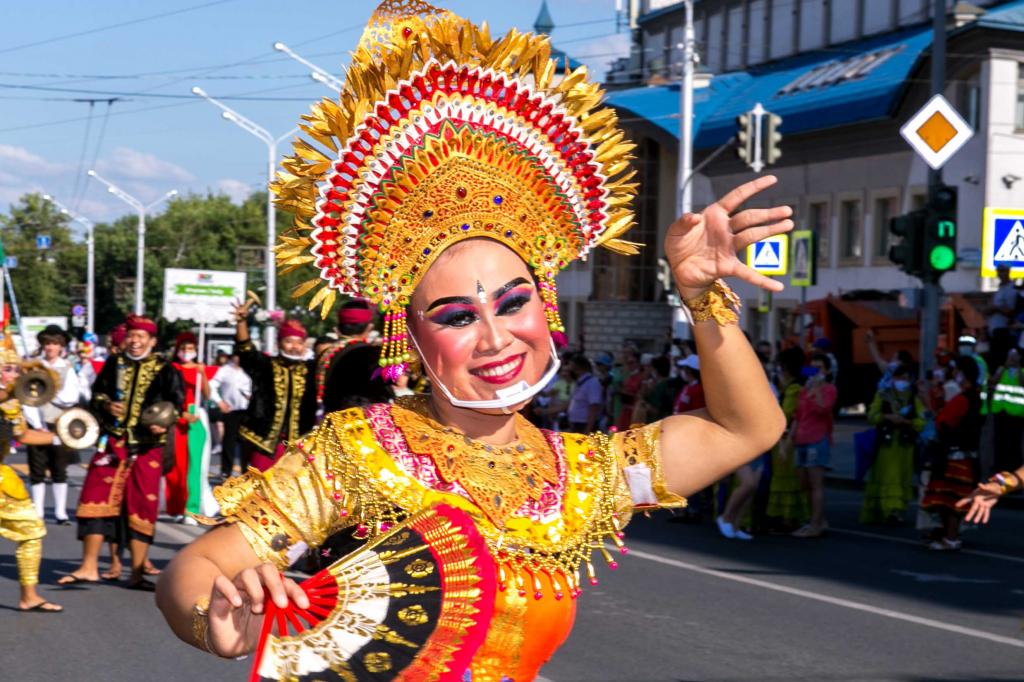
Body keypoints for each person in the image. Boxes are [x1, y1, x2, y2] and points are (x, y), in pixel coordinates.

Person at [156, 4, 789, 676]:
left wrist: (701, 297)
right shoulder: (362, 455)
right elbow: (196, 568)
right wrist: (217, 620)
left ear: (546, 306)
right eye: (457, 317)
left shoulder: (579, 477)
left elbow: (746, 428)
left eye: (513, 304)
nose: (495, 338)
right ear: (409, 337)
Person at [60, 314, 185, 590]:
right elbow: (96, 395)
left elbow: (177, 404)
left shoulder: (166, 369)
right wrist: (106, 405)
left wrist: (163, 422)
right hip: (113, 442)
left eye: (140, 336)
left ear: (152, 341)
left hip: (148, 446)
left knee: (142, 505)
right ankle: (89, 566)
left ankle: (137, 573)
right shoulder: (114, 363)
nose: (134, 341)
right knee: (93, 495)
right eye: (131, 336)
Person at [0, 346, 65, 612]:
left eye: (16, 370)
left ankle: (29, 596)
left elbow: (23, 436)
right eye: (7, 369)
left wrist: (63, 436)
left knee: (31, 530)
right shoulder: (9, 396)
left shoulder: (13, 403)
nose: (14, 375)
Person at [233, 314, 316, 472]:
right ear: (279, 343)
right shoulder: (266, 366)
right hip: (264, 443)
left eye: (299, 342)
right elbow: (246, 350)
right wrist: (241, 322)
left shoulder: (312, 370)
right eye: (289, 341)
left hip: (299, 445)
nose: (294, 347)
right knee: (259, 485)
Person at [921, 356, 984, 550]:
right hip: (966, 453)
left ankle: (951, 537)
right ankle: (948, 534)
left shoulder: (963, 398)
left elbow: (943, 421)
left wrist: (930, 405)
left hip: (955, 454)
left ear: (964, 374)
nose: (953, 374)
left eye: (956, 370)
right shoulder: (974, 396)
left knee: (950, 498)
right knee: (952, 497)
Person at [26, 324, 81, 525]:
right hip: (37, 424)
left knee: (59, 467)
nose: (50, 347)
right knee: (37, 468)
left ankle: (60, 512)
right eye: (47, 343)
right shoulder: (34, 367)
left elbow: (71, 397)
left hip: (59, 424)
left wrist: (51, 393)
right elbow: (26, 397)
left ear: (61, 346)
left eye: (54, 343)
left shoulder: (67, 368)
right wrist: (35, 423)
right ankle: (38, 511)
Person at [860, 364, 925, 525]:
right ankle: (885, 510)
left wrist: (907, 422)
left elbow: (921, 422)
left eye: (906, 378)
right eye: (899, 377)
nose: (902, 381)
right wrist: (887, 417)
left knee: (901, 477)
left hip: (905, 446)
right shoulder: (883, 395)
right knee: (885, 476)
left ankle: (895, 511)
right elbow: (872, 416)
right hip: (886, 445)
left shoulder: (914, 398)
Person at [164, 332, 218, 523]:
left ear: (196, 350)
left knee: (195, 466)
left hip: (195, 418)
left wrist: (202, 374)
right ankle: (177, 506)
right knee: (176, 467)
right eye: (183, 348)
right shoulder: (171, 369)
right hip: (176, 417)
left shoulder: (200, 369)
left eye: (190, 348)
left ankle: (191, 509)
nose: (187, 352)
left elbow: (207, 395)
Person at [315, 298, 390, 416]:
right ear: (369, 327)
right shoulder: (370, 353)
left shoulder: (326, 352)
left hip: (332, 420)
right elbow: (390, 379)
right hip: (360, 422)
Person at [789, 353, 837, 538]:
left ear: (827, 371)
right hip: (801, 439)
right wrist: (789, 440)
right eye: (813, 368)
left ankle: (816, 525)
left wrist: (817, 389)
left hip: (817, 440)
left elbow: (823, 409)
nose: (815, 372)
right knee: (804, 483)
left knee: (816, 484)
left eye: (819, 368)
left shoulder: (829, 389)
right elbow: (797, 416)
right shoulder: (804, 390)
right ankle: (817, 519)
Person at [765, 347, 809, 532]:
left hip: (787, 440)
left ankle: (789, 517)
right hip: (784, 439)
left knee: (787, 478)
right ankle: (787, 517)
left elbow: (786, 415)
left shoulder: (794, 389)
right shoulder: (792, 387)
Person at [208, 353, 251, 478]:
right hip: (231, 410)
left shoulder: (251, 369)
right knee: (229, 441)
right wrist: (219, 402)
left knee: (248, 443)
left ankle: (247, 471)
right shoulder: (225, 370)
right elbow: (211, 385)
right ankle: (226, 471)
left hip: (249, 411)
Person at [986, 348, 1024, 474]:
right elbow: (992, 382)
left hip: (1016, 413)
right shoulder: (1002, 370)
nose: (1012, 358)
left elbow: (1022, 382)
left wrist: (1018, 368)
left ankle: (1014, 468)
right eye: (1010, 355)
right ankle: (999, 466)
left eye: (1014, 355)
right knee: (999, 440)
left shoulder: (1022, 371)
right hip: (1001, 411)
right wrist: (1003, 369)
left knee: (1014, 441)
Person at [986, 265, 1018, 368]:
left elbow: (1012, 311)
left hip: (1003, 331)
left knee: (1000, 361)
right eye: (999, 271)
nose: (1000, 274)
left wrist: (997, 309)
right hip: (995, 330)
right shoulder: (1000, 289)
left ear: (1008, 272)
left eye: (1003, 271)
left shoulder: (1011, 289)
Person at [566, 353, 604, 433]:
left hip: (584, 425)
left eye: (571, 368)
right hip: (576, 424)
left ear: (578, 368)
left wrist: (587, 430)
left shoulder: (592, 383)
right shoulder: (579, 383)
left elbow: (594, 408)